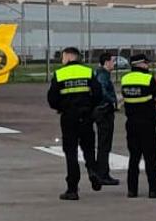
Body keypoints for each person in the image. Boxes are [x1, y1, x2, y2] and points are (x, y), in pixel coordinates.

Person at [47, 47, 103, 200]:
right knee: (89, 149)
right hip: (86, 116)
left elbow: (52, 99)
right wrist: (90, 107)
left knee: (71, 152)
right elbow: (98, 93)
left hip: (69, 117)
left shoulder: (59, 74)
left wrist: (61, 107)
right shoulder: (87, 72)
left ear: (67, 56)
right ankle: (93, 171)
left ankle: (72, 189)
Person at [121, 54, 156, 199]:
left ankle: (132, 190)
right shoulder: (148, 78)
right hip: (147, 123)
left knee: (134, 158)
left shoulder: (125, 79)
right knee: (150, 159)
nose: (148, 66)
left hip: (131, 123)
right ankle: (154, 190)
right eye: (146, 63)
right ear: (140, 64)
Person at [93, 53, 119, 186]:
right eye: (112, 61)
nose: (114, 64)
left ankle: (102, 172)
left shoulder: (100, 73)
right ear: (106, 62)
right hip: (104, 112)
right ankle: (102, 174)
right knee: (104, 144)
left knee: (104, 144)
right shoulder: (103, 75)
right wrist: (113, 101)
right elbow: (102, 91)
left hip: (101, 111)